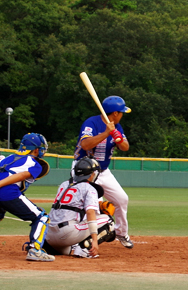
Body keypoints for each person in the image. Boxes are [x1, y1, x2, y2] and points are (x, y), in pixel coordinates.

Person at [0, 133, 54, 261]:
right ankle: (35, 250)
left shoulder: (7, 158)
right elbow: (22, 175)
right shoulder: (34, 163)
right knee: (42, 217)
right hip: (7, 192)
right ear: (36, 150)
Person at [72, 95, 134, 248]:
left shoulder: (117, 126)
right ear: (114, 113)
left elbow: (125, 147)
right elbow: (85, 144)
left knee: (122, 199)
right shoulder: (91, 123)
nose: (122, 115)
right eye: (121, 112)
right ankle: (82, 240)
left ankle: (120, 233)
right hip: (84, 171)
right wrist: (106, 133)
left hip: (103, 171)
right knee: (90, 205)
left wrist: (118, 138)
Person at [45, 156, 116, 258]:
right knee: (108, 221)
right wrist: (95, 240)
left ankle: (48, 247)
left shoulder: (64, 184)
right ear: (92, 174)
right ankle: (84, 249)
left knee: (66, 250)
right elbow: (90, 213)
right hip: (66, 233)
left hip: (49, 235)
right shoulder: (89, 187)